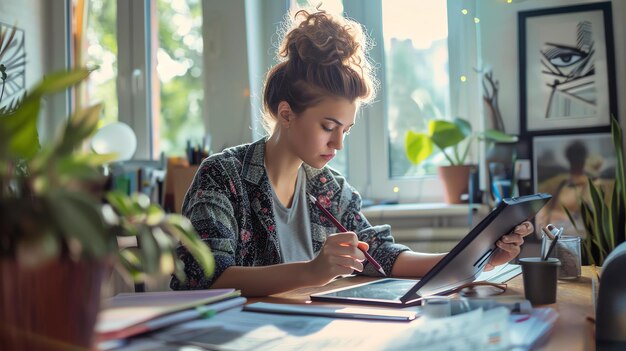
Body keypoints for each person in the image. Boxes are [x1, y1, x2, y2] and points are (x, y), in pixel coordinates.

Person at [170, 9, 533, 296]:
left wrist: (479, 260)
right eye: (328, 127)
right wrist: (313, 270)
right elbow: (206, 279)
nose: (338, 143)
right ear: (286, 113)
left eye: (346, 130)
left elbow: (382, 256)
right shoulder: (222, 177)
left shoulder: (329, 189)